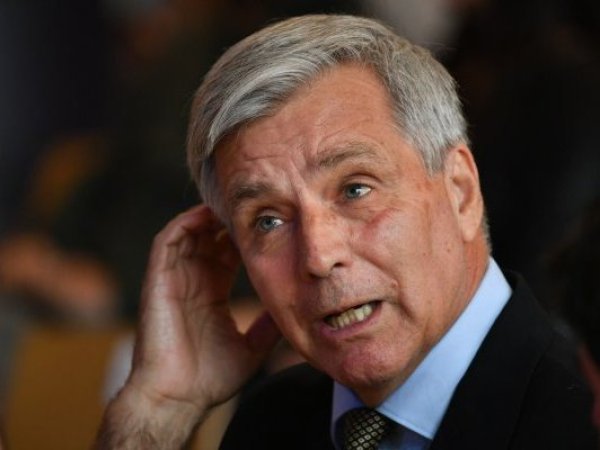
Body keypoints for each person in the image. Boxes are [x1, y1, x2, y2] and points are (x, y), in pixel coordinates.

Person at [94, 15, 597, 449]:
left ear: (460, 191)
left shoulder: (581, 417)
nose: (318, 255)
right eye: (268, 220)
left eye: (355, 190)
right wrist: (162, 406)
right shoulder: (269, 424)